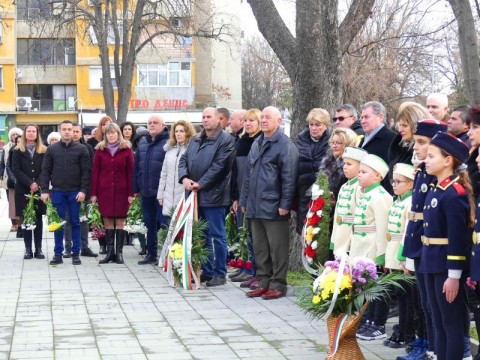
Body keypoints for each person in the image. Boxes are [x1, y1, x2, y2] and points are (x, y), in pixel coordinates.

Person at [418, 131, 473, 360]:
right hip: (430, 260)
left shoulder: (453, 194)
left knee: (451, 325)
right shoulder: (436, 189)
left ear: (448, 160)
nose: (425, 160)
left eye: (431, 156)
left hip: (445, 267)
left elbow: (458, 238)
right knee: (437, 322)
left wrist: (454, 275)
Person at [399, 119, 448, 360]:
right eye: (416, 142)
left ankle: (439, 349)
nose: (416, 147)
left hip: (432, 245)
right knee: (425, 303)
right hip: (418, 241)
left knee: (435, 306)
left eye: (422, 143)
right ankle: (429, 346)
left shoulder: (436, 175)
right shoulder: (420, 170)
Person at [240, 106, 299, 300]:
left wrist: (285, 204)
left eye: (268, 117)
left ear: (279, 121)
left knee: (277, 248)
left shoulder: (284, 145)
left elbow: (289, 177)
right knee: (260, 247)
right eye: (262, 117)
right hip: (255, 205)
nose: (264, 120)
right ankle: (263, 281)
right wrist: (244, 200)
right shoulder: (257, 142)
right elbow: (247, 175)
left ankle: (278, 284)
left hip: (274, 206)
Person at [179, 107, 236, 286]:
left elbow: (220, 167)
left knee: (217, 235)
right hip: (194, 194)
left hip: (215, 195)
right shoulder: (196, 139)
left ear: (218, 119)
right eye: (203, 117)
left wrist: (201, 183)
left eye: (209, 117)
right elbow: (183, 160)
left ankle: (220, 272)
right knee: (201, 234)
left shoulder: (225, 140)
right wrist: (185, 178)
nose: (205, 120)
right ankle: (207, 269)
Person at [352, 154, 393, 341]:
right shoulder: (363, 193)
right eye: (359, 171)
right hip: (361, 246)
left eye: (364, 172)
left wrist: (382, 253)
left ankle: (378, 323)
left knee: (376, 287)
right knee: (363, 286)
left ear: (378, 176)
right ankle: (366, 319)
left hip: (372, 247)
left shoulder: (381, 196)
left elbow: (383, 226)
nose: (359, 175)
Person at [39, 120, 91, 266]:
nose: (67, 132)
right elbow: (45, 171)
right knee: (58, 223)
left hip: (75, 192)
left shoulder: (81, 149)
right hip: (58, 191)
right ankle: (58, 253)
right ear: (60, 131)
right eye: (64, 129)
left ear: (73, 131)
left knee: (75, 222)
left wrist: (83, 191)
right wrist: (44, 190)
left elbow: (86, 172)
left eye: (70, 129)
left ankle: (75, 253)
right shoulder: (52, 149)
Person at [91, 123, 134, 264]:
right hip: (105, 191)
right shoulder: (100, 150)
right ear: (105, 135)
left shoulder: (126, 149)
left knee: (120, 221)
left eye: (113, 133)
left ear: (118, 134)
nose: (110, 135)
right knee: (108, 220)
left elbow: (131, 172)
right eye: (108, 133)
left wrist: (131, 193)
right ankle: (110, 253)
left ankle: (119, 253)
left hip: (122, 191)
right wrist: (94, 193)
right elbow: (95, 173)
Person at [383, 163, 415, 349]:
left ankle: (407, 331)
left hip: (401, 255)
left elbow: (406, 231)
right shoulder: (398, 200)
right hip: (392, 252)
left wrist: (402, 258)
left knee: (406, 297)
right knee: (400, 295)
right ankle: (401, 330)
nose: (394, 185)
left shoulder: (410, 202)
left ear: (410, 184)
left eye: (398, 181)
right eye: (393, 181)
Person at [230, 108, 262, 286]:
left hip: (253, 195)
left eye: (252, 121)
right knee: (243, 233)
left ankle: (253, 269)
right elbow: (236, 172)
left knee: (252, 234)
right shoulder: (242, 141)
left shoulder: (258, 142)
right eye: (246, 121)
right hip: (241, 194)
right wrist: (235, 197)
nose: (248, 124)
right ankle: (245, 266)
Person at [133, 115, 169, 265]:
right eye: (149, 123)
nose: (152, 125)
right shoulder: (142, 144)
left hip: (162, 194)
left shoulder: (168, 143)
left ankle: (166, 255)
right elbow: (136, 169)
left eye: (155, 123)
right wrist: (136, 188)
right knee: (150, 225)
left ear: (163, 125)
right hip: (146, 192)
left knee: (164, 224)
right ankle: (151, 254)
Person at [12, 124, 47, 259]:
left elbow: (45, 169)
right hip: (23, 190)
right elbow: (16, 170)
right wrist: (29, 183)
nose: (31, 133)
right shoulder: (17, 151)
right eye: (29, 131)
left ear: (37, 134)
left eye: (34, 131)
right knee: (26, 219)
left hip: (38, 190)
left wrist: (37, 183)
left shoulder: (44, 150)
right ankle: (28, 249)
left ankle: (38, 249)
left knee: (38, 218)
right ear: (25, 133)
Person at [63, 124, 97, 258]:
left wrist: (88, 189)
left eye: (77, 131)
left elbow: (90, 169)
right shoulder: (63, 148)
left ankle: (84, 246)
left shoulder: (87, 148)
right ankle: (68, 248)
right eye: (73, 131)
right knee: (68, 220)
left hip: (84, 190)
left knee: (83, 220)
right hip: (68, 190)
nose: (75, 134)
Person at [296, 108, 330, 234]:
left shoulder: (332, 142)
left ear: (326, 126)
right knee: (304, 232)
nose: (314, 128)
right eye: (311, 124)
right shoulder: (301, 140)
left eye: (318, 125)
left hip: (323, 193)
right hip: (303, 192)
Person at [330, 146, 367, 256]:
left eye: (349, 164)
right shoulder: (344, 186)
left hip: (351, 238)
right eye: (344, 163)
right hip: (340, 236)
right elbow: (338, 214)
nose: (344, 167)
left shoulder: (360, 188)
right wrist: (333, 240)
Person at [157, 120, 196, 224]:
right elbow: (163, 175)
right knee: (166, 228)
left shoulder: (192, 150)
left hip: (184, 195)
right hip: (168, 196)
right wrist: (160, 195)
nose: (178, 134)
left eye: (182, 131)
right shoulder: (169, 150)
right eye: (176, 131)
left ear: (187, 132)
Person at [358, 101, 396, 194]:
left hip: (379, 195)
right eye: (362, 117)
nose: (363, 121)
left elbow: (392, 171)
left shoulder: (392, 139)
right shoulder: (363, 139)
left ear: (380, 117)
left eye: (367, 117)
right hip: (361, 193)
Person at [387, 102, 430, 183]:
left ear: (416, 125)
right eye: (400, 125)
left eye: (405, 126)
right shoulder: (398, 144)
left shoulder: (425, 152)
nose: (400, 130)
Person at [318, 127, 359, 204]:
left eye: (339, 143)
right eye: (332, 142)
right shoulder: (326, 162)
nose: (334, 146)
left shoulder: (353, 166)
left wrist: (335, 198)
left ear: (348, 144)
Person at [0, 127, 23, 233]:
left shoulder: (23, 148)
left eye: (16, 134)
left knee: (20, 202)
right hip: (7, 178)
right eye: (13, 135)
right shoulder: (5, 148)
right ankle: (14, 224)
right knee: (11, 202)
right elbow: (3, 165)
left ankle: (21, 223)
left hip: (20, 179)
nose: (14, 136)